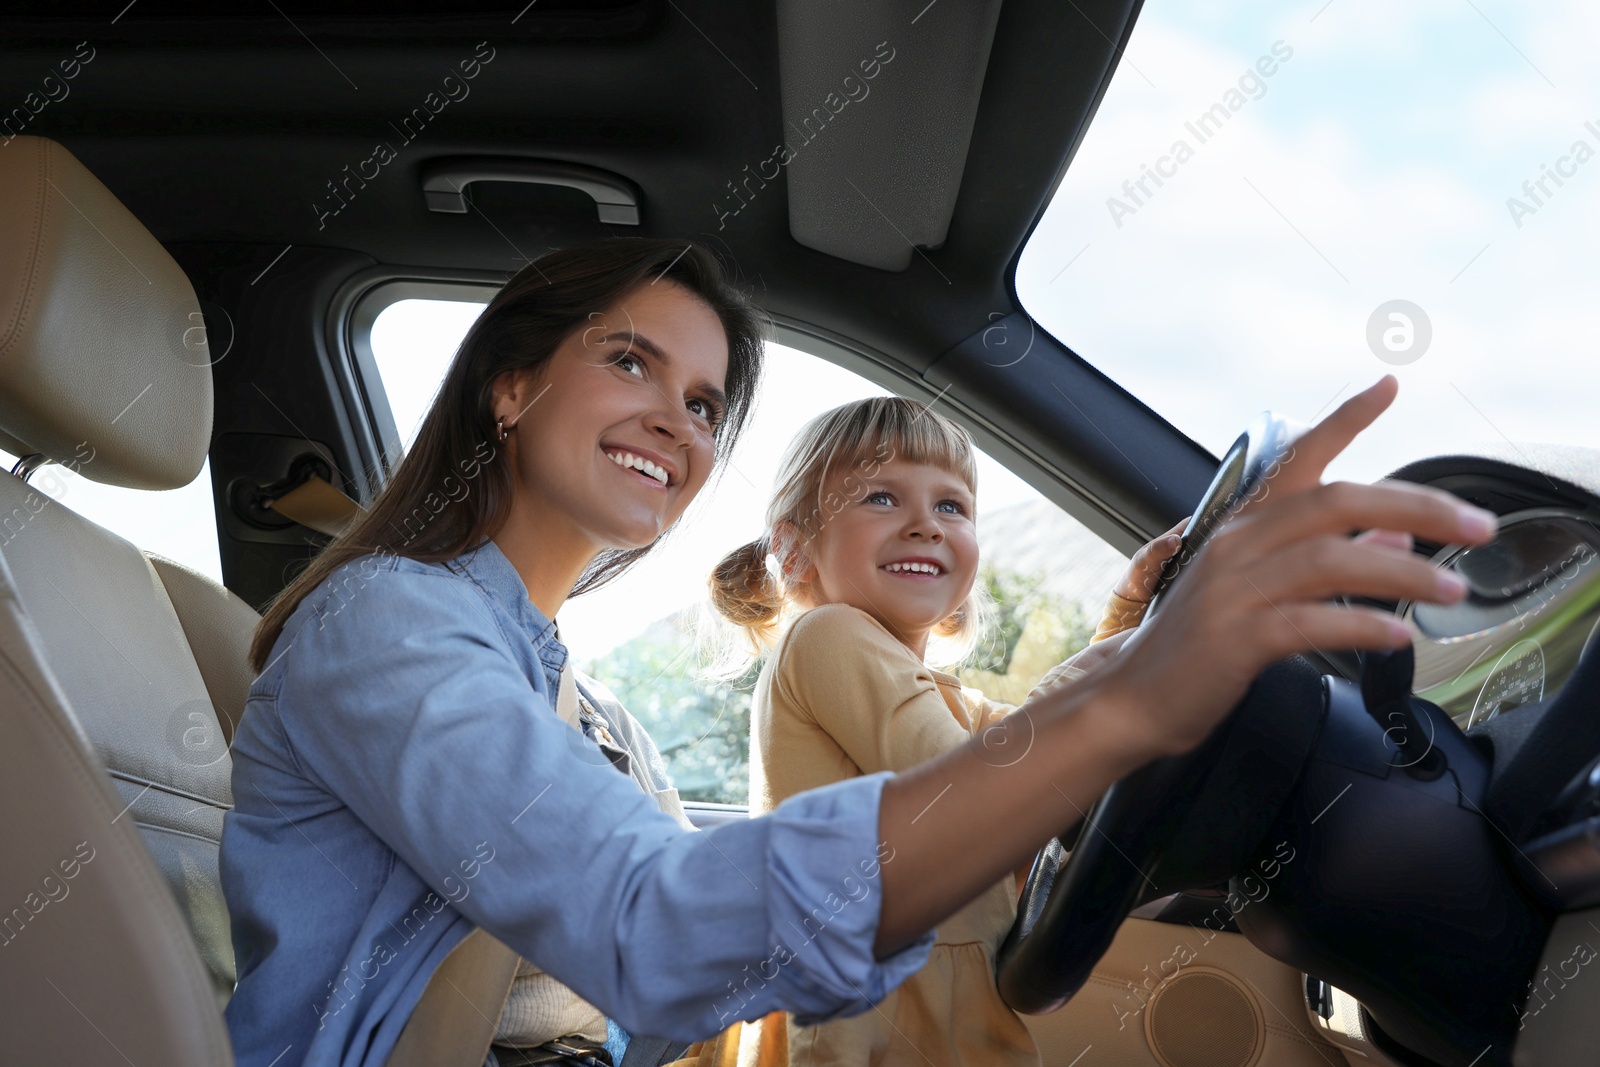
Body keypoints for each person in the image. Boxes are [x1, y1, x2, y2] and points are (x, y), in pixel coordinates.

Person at [220, 236, 1494, 1067]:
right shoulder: (382, 624)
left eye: (706, 402)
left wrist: (1120, 647)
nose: (676, 415)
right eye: (629, 361)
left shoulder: (559, 688)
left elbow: (679, 902)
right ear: (510, 385)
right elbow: (645, 928)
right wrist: (1127, 703)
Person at [708, 398, 1180, 1065]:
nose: (925, 524)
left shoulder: (939, 694)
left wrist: (1130, 614)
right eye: (881, 497)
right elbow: (982, 783)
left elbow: (1025, 737)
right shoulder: (828, 636)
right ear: (794, 546)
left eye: (951, 506)